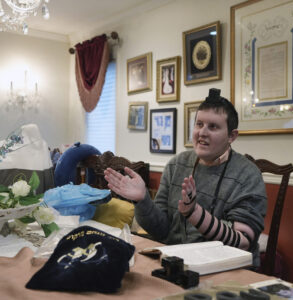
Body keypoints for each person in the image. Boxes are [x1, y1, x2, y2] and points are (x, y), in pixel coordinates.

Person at [104, 88, 267, 266]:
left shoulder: (248, 175)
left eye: (213, 127)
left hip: (227, 269)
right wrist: (142, 200)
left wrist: (195, 214)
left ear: (231, 136)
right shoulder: (177, 164)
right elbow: (161, 230)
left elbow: (242, 242)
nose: (202, 132)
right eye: (199, 124)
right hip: (175, 263)